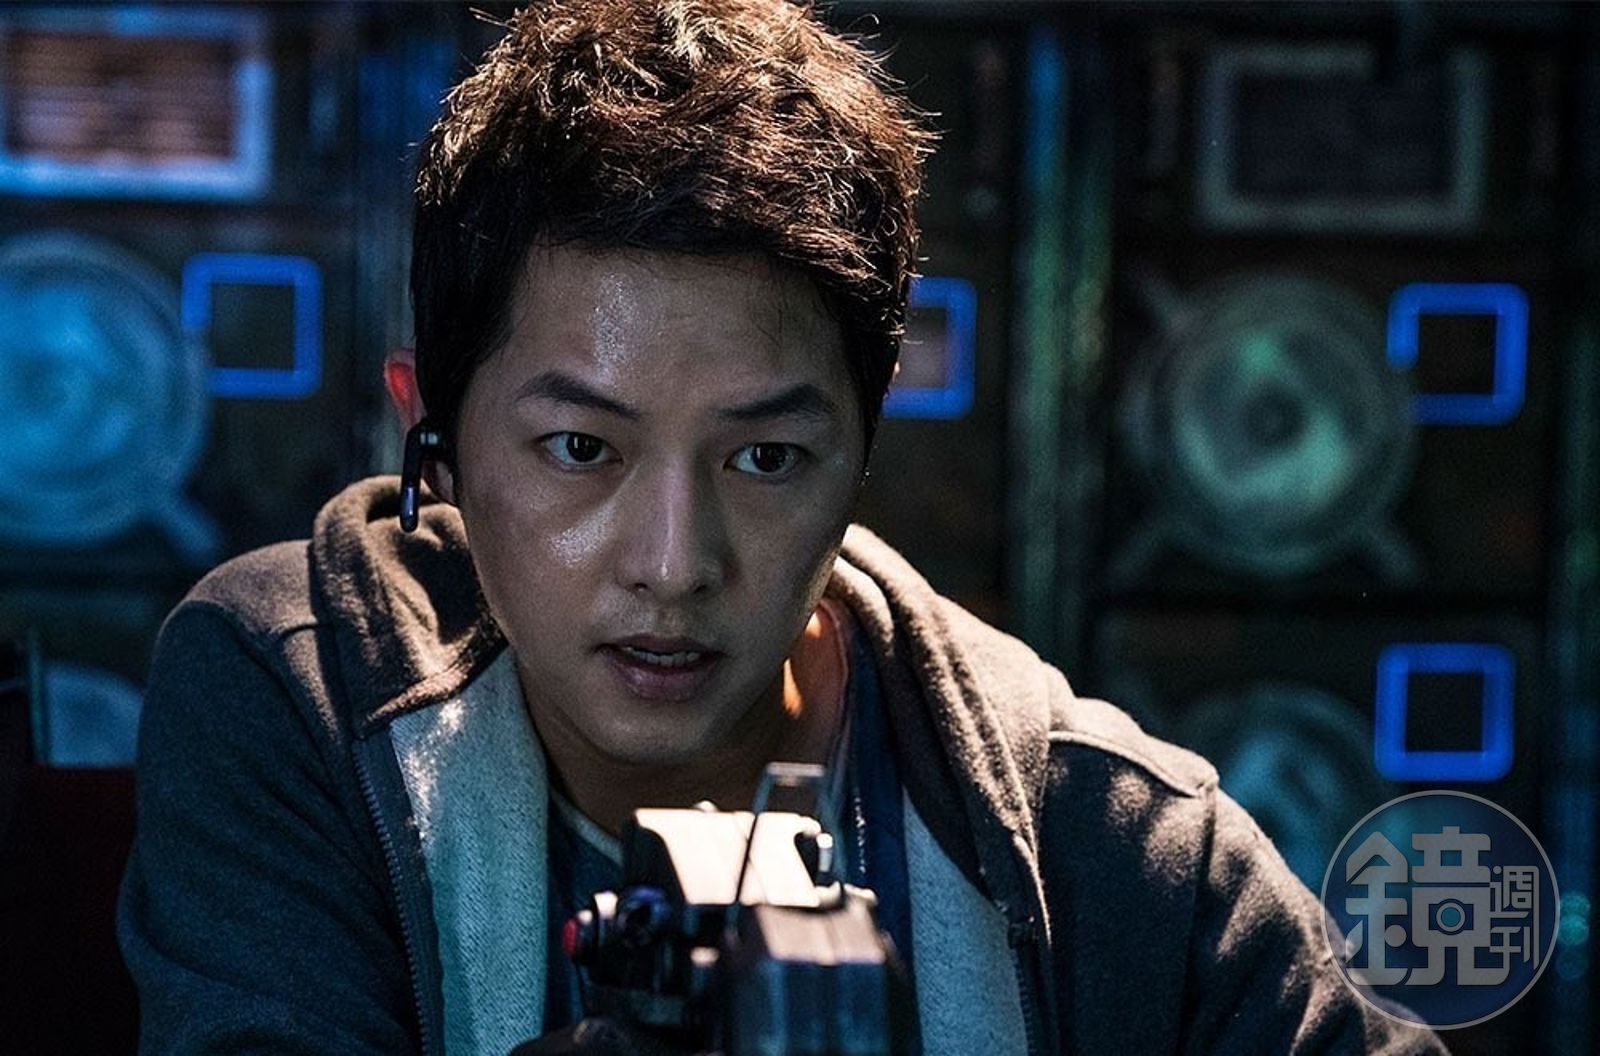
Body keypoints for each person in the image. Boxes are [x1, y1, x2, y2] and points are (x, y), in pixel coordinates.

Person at [118, 2, 1448, 1054]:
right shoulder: (304, 698)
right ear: (435, 436)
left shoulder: (1091, 836)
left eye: (765, 458)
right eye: (581, 449)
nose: (674, 563)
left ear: (864, 449)